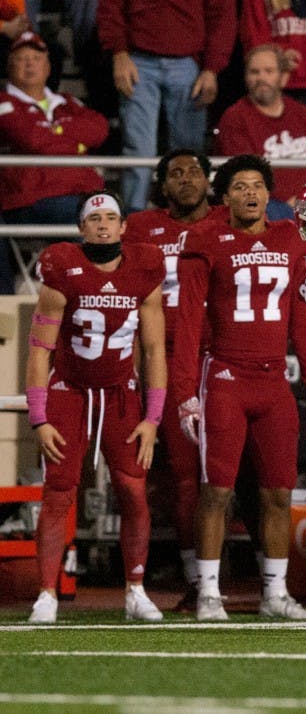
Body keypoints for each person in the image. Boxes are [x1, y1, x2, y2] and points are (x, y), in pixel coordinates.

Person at [173, 154, 306, 621]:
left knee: (279, 493)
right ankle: (207, 593)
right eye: (239, 186)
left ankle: (275, 594)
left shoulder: (290, 239)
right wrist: (185, 392)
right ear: (224, 196)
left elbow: (304, 316)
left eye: (257, 185)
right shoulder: (207, 241)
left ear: (269, 193)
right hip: (224, 379)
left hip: (274, 380)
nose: (249, 193)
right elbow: (185, 322)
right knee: (217, 491)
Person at [26, 190, 167, 623]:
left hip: (121, 391)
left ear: (124, 226)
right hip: (70, 389)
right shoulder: (62, 268)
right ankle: (47, 593)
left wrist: (153, 418)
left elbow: (156, 349)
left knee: (132, 488)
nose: (103, 224)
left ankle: (136, 588)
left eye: (111, 217)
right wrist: (39, 418)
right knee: (59, 492)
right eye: (95, 218)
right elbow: (38, 350)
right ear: (81, 228)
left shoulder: (145, 269)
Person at [121, 149, 228, 609]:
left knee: (238, 476)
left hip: (225, 354)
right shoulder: (143, 228)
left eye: (194, 172)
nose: (186, 179)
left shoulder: (230, 218)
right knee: (184, 476)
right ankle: (194, 578)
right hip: (166, 356)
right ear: (162, 186)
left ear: (209, 180)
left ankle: (268, 581)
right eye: (175, 174)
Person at [97, 0, 237, 212]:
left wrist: (212, 68)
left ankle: (190, 223)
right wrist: (119, 52)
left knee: (189, 156)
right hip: (137, 60)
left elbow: (223, 9)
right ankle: (134, 225)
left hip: (188, 63)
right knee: (138, 153)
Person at [0, 31, 109, 226]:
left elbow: (99, 131)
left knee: (139, 222)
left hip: (85, 194)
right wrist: (76, 145)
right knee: (91, 222)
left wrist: (56, 130)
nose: (30, 64)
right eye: (21, 58)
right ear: (9, 66)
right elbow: (31, 140)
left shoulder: (68, 102)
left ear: (48, 66)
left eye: (36, 58)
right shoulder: (3, 103)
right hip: (30, 200)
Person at [214, 44, 306, 207]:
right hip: (267, 207)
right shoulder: (235, 118)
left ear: (283, 77)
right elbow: (244, 177)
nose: (261, 78)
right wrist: (292, 204)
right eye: (254, 72)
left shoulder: (303, 114)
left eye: (269, 71)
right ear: (245, 78)